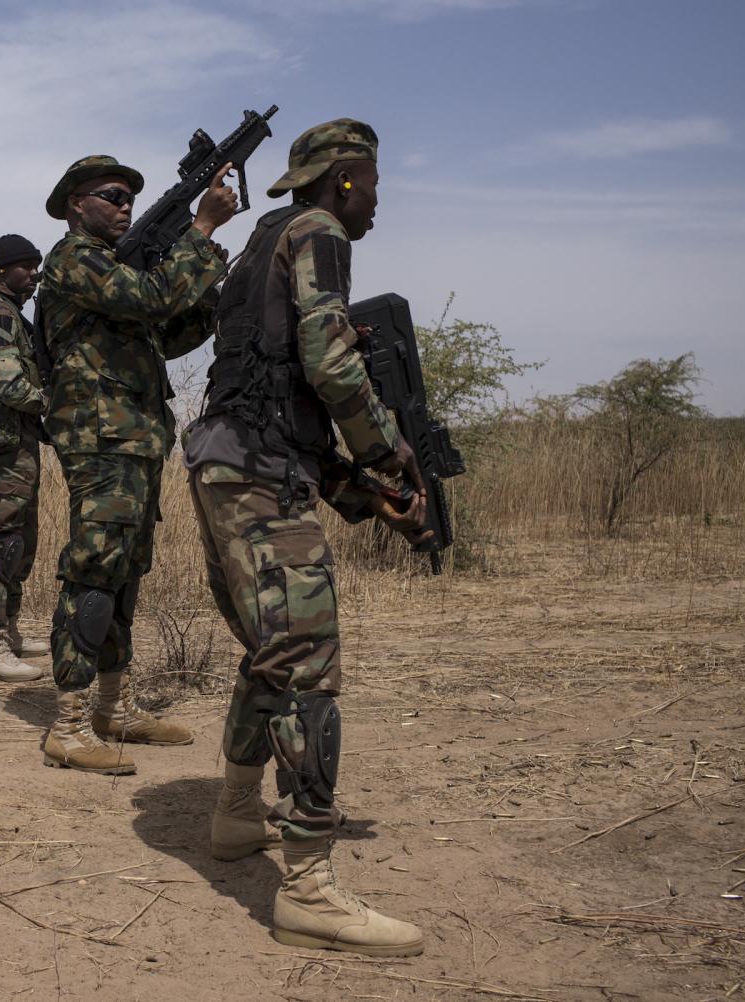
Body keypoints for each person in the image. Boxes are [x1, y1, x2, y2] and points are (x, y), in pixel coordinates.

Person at [184, 120, 429, 956]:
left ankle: (235, 816)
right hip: (254, 470)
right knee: (308, 667)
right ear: (346, 179)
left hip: (229, 461)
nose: (376, 203)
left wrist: (357, 489)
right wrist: (390, 460)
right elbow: (328, 363)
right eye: (372, 184)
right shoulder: (320, 228)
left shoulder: (260, 239)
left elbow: (274, 392)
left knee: (271, 650)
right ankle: (311, 888)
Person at [36, 155, 237, 775]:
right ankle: (67, 725)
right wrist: (199, 233)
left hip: (137, 439)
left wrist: (209, 279)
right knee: (95, 570)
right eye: (113, 195)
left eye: (129, 198)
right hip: (101, 439)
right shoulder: (71, 259)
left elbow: (168, 332)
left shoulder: (114, 269)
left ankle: (111, 707)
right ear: (76, 203)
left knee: (124, 571)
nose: (124, 206)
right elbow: (151, 298)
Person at [0, 235, 51, 683]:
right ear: (1, 271)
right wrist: (54, 405)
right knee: (3, 541)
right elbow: (8, 384)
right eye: (24, 266)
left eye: (36, 265)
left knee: (22, 538)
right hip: (4, 443)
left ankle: (9, 631)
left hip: (16, 439)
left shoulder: (13, 314)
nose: (33, 273)